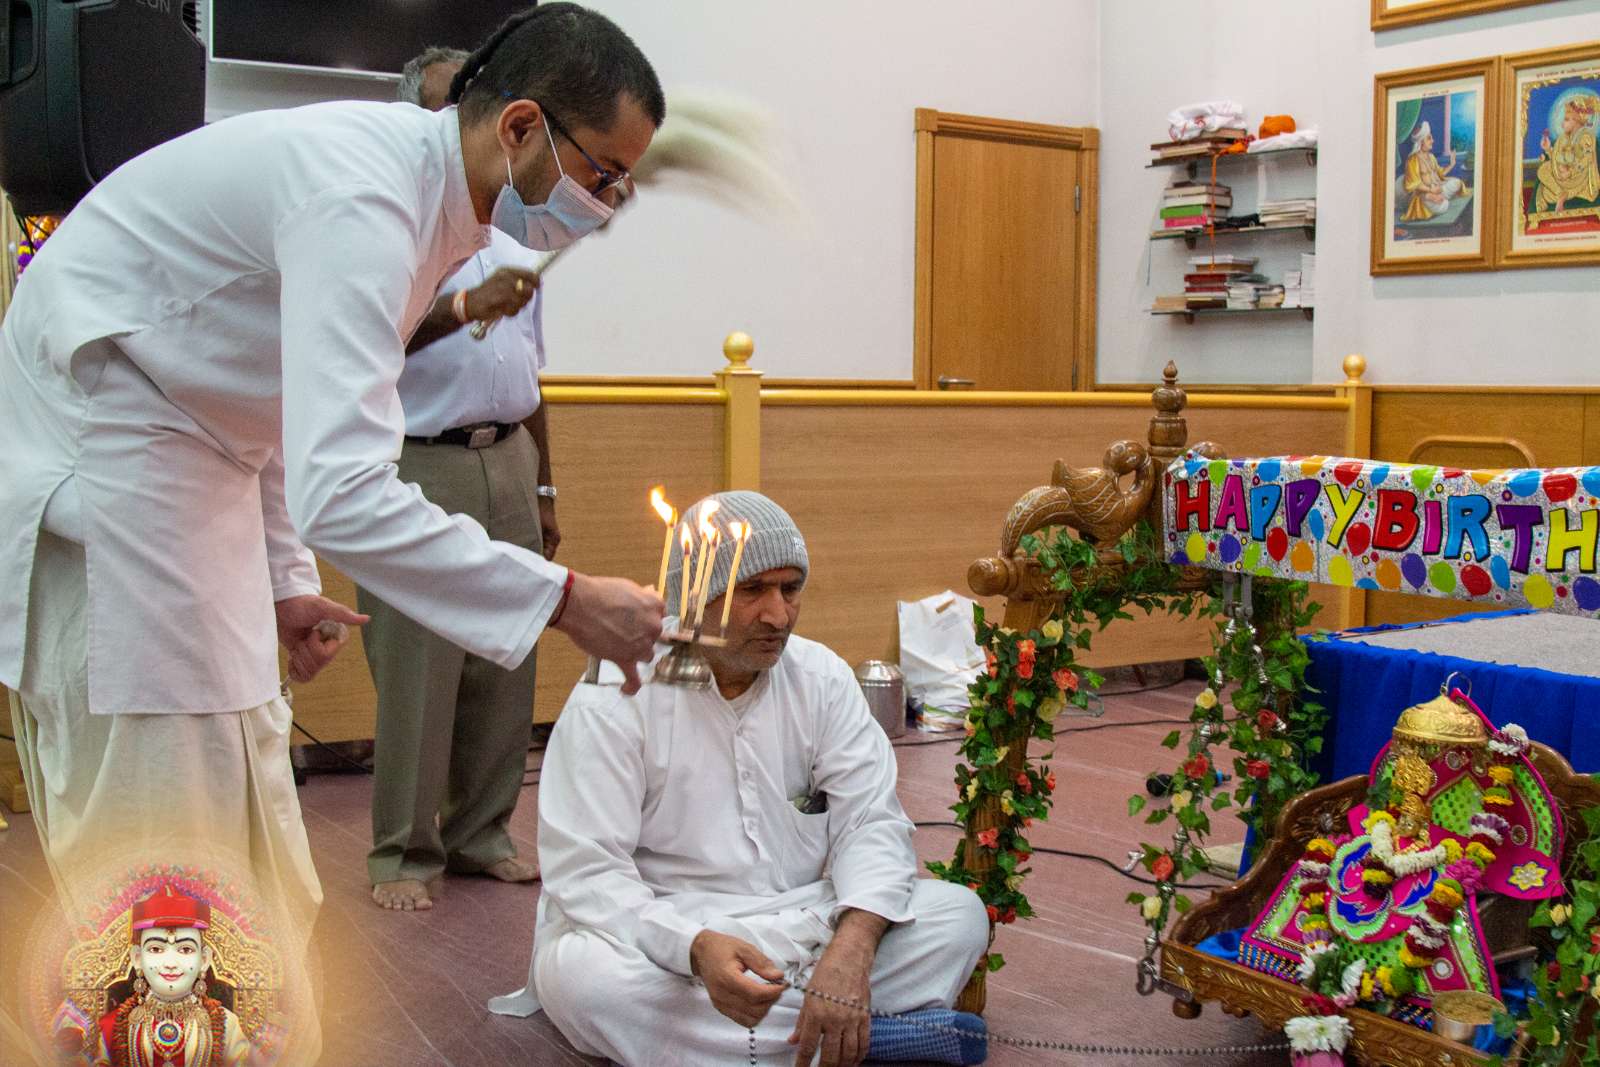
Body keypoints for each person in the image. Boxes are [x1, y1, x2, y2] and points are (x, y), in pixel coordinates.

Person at [0, 4, 666, 1050]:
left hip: (185, 459)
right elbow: (343, 486)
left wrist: (284, 582)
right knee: (162, 841)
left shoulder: (421, 202)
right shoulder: (366, 198)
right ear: (522, 126)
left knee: (246, 800)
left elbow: (264, 401)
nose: (609, 206)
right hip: (113, 469)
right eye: (604, 173)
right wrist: (567, 599)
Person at [529, 492, 990, 1067]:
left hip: (799, 921)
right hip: (665, 934)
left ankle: (777, 1040)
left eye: (790, 589)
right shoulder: (617, 690)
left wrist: (851, 948)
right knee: (588, 981)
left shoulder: (822, 678)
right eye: (752, 591)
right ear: (692, 600)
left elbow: (871, 823)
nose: (779, 616)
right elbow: (588, 872)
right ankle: (867, 1041)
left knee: (957, 916)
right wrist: (693, 948)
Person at [359, 47, 557, 913]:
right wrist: (465, 307)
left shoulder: (509, 237)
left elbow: (535, 378)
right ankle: (403, 852)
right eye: (453, 109)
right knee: (420, 666)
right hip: (420, 458)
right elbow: (376, 343)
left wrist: (546, 490)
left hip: (508, 455)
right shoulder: (391, 232)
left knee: (506, 652)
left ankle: (483, 832)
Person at [1534, 95, 1600, 214]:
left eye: (1566, 119)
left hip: (1578, 179)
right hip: (1563, 177)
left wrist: (1570, 172)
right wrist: (1548, 149)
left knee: (1547, 193)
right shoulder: (1564, 138)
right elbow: (1558, 158)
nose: (1562, 124)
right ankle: (1561, 193)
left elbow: (1587, 158)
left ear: (1577, 120)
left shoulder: (1585, 136)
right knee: (1543, 172)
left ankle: (1560, 193)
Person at [1400, 120, 1469, 221]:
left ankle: (1439, 197)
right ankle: (1434, 198)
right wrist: (1430, 191)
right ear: (1421, 142)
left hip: (1438, 187)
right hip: (1424, 194)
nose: (1432, 141)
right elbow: (1412, 185)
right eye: (1429, 138)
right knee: (1444, 205)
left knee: (1457, 183)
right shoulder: (1412, 160)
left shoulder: (1431, 156)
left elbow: (1440, 173)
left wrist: (1451, 164)